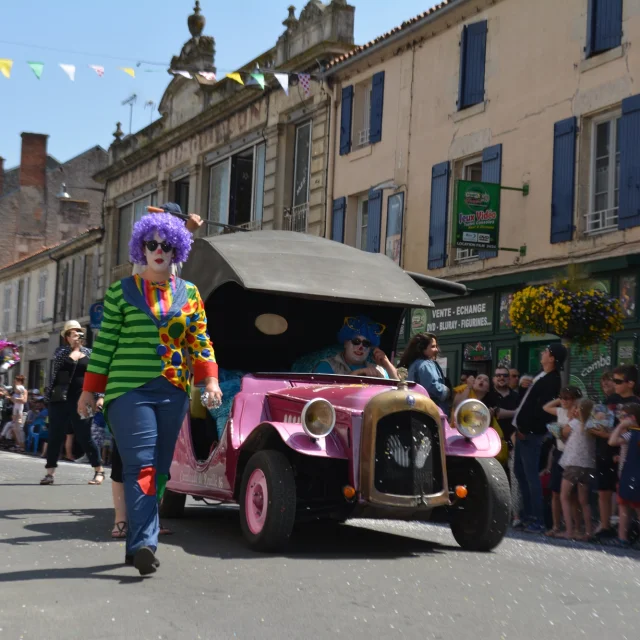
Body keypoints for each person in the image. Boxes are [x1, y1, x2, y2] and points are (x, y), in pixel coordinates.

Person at [77, 212, 221, 575]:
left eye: (167, 245)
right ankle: (144, 544)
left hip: (173, 390)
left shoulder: (189, 294)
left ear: (178, 249)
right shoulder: (120, 292)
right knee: (141, 463)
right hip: (128, 390)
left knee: (158, 469)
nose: (159, 250)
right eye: (151, 244)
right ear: (141, 247)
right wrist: (90, 391)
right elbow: (105, 344)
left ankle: (137, 540)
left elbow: (200, 341)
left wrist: (211, 381)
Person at [41, 321, 105, 485]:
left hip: (83, 399)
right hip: (59, 399)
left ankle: (99, 470)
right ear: (67, 337)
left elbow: (96, 375)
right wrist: (75, 349)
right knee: (55, 435)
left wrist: (99, 396)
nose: (77, 336)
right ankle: (50, 473)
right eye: (73, 333)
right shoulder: (61, 352)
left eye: (79, 333)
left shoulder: (90, 353)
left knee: (85, 436)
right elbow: (60, 368)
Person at [512, 344, 565, 533]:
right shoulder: (540, 375)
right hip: (522, 432)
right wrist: (522, 385)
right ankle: (527, 515)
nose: (542, 353)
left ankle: (538, 519)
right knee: (521, 473)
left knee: (531, 476)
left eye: (546, 352)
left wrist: (526, 428)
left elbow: (542, 411)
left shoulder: (553, 380)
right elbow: (526, 401)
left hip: (531, 434)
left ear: (552, 358)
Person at [592, 365, 640, 541]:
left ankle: (629, 530)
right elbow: (596, 423)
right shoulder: (609, 400)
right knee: (604, 490)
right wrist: (599, 430)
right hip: (606, 449)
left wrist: (612, 433)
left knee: (631, 495)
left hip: (629, 454)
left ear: (631, 383)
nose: (614, 384)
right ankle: (605, 527)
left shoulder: (637, 403)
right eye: (614, 380)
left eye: (618, 381)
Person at [542, 386, 582, 537]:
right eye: (562, 398)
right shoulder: (560, 411)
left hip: (572, 454)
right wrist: (560, 398)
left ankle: (576, 527)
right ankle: (556, 525)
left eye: (568, 398)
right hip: (559, 453)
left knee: (572, 495)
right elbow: (546, 407)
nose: (564, 401)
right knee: (555, 493)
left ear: (575, 400)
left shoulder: (578, 414)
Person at [557, 398, 596, 541]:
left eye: (576, 408)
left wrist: (570, 418)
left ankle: (569, 530)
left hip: (573, 464)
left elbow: (564, 433)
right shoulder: (592, 425)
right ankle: (588, 532)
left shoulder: (575, 423)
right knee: (584, 501)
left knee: (564, 496)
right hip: (587, 465)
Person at [314, 316, 397, 379]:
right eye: (356, 341)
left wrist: (387, 364)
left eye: (366, 343)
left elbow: (400, 391)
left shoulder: (379, 370)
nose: (361, 347)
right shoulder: (327, 366)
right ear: (345, 343)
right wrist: (357, 374)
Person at [608, 402, 640, 548]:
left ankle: (624, 538)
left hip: (631, 474)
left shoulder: (631, 433)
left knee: (631, 506)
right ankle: (623, 537)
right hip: (627, 474)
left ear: (632, 418)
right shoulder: (631, 433)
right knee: (625, 505)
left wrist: (620, 427)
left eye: (623, 416)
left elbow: (612, 441)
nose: (620, 418)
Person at [398, 332, 449, 411]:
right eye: (433, 346)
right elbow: (433, 388)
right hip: (431, 410)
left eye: (436, 346)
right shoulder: (425, 365)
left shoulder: (414, 364)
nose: (436, 350)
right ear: (422, 348)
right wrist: (448, 391)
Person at [9, 374, 27, 451]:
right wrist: (10, 397)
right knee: (15, 428)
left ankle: (22, 446)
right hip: (16, 409)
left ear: (19, 381)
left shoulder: (22, 388)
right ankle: (18, 445)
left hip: (21, 411)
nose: (14, 381)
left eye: (15, 380)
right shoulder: (17, 389)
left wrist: (16, 398)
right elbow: (13, 400)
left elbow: (23, 400)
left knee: (19, 428)